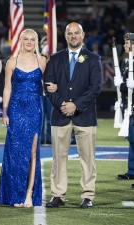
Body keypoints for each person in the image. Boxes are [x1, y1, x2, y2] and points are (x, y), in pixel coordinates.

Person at [44, 22, 102, 208]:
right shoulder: (55, 58)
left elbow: (95, 88)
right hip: (60, 116)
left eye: (77, 33)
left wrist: (75, 105)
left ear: (83, 35)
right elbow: (48, 86)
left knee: (87, 159)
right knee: (58, 159)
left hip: (85, 116)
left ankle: (88, 196)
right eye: (70, 33)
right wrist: (63, 104)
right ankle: (58, 195)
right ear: (65, 36)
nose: (73, 36)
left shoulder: (93, 59)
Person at [0, 29, 46, 207]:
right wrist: (4, 112)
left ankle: (29, 196)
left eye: (33, 39)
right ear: (21, 40)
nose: (29, 42)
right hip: (15, 110)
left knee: (32, 152)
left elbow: (49, 82)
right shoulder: (11, 61)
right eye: (26, 39)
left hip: (34, 110)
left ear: (36, 42)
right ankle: (14, 195)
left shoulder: (42, 60)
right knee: (15, 152)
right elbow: (7, 88)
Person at [114, 33, 134, 187]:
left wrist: (122, 85)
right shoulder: (127, 62)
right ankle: (132, 170)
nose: (125, 45)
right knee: (131, 140)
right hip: (129, 107)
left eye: (128, 42)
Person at [40, 36, 52, 144]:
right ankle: (39, 139)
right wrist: (43, 55)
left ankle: (49, 138)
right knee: (39, 117)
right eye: (44, 44)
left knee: (50, 117)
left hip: (50, 93)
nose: (46, 47)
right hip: (39, 92)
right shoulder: (37, 59)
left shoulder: (54, 60)